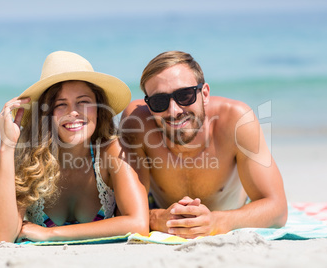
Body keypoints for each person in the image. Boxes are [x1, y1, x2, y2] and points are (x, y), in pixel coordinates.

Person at [0, 51, 149, 243]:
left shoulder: (111, 150)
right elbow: (2, 236)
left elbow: (138, 224)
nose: (73, 112)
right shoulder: (30, 158)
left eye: (83, 102)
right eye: (60, 104)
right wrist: (7, 145)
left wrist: (49, 233)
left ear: (99, 108)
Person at [120, 51, 287, 239]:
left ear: (204, 94)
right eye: (159, 101)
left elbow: (277, 209)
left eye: (184, 95)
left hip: (231, 210)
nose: (173, 111)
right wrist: (157, 218)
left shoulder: (236, 120)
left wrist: (215, 222)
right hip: (160, 208)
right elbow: (125, 210)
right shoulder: (137, 123)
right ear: (149, 105)